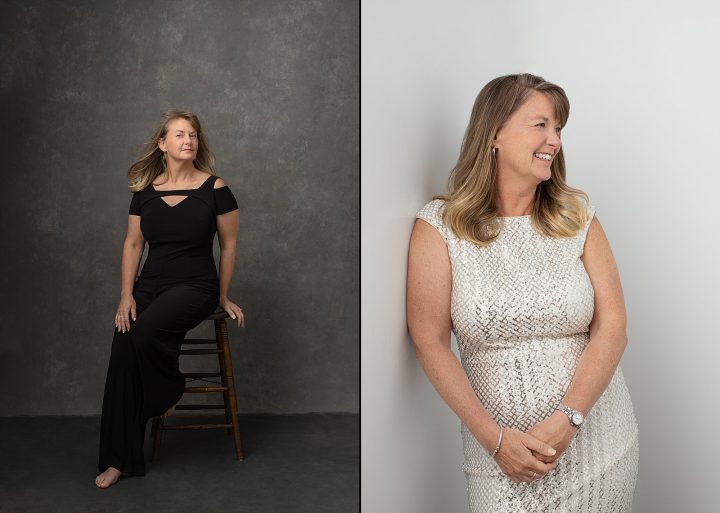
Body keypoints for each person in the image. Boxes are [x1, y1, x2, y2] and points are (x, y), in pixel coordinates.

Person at [407, 74, 638, 512]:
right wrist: (495, 441)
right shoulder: (440, 226)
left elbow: (614, 326)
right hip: (498, 451)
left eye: (558, 129)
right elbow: (429, 341)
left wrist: (568, 420)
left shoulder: (576, 217)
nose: (554, 140)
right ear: (493, 132)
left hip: (596, 439)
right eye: (541, 125)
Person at [95, 110, 244, 489]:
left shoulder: (216, 189)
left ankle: (169, 389)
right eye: (179, 134)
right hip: (150, 283)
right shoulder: (144, 193)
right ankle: (119, 460)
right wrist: (125, 295)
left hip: (195, 284)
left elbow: (228, 248)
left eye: (192, 134)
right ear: (163, 144)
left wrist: (223, 295)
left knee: (144, 333)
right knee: (124, 345)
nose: (188, 140)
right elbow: (132, 245)